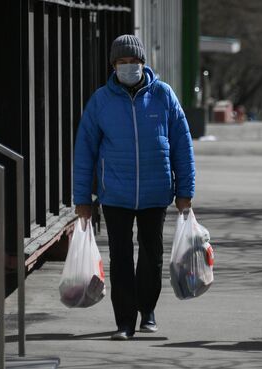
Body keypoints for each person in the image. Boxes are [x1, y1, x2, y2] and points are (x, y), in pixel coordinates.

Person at [73, 34, 195, 340]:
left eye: (134, 61)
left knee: (152, 256)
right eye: (123, 62)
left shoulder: (163, 96)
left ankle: (148, 310)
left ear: (144, 63)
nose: (129, 67)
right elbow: (84, 150)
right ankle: (124, 321)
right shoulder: (101, 101)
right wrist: (82, 198)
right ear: (113, 65)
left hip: (156, 192)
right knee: (121, 257)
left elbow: (182, 144)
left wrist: (185, 191)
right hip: (115, 193)